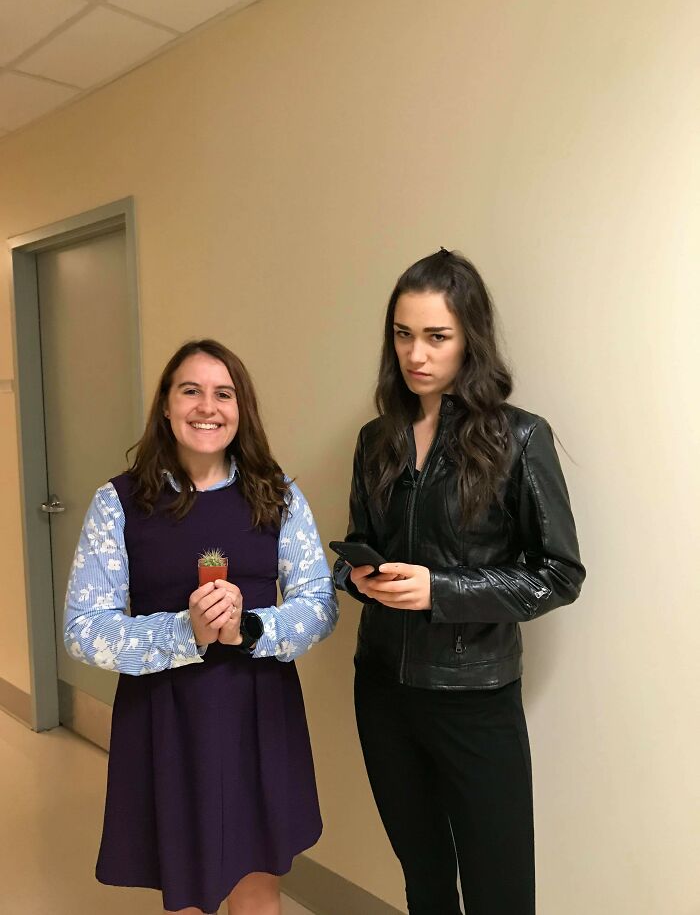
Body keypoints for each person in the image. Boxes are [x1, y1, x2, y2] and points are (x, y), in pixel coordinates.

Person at [333, 249, 585, 915]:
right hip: (382, 689)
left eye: (436, 336)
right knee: (425, 877)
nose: (417, 353)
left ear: (470, 337)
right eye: (403, 334)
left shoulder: (518, 437)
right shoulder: (375, 439)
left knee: (501, 890)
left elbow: (558, 573)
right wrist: (356, 575)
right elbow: (358, 547)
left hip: (474, 697)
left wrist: (441, 590)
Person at [64, 339, 338, 915]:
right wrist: (184, 632)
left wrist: (252, 628)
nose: (206, 407)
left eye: (224, 393)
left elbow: (319, 602)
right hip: (167, 717)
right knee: (185, 885)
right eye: (190, 390)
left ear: (242, 410)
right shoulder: (119, 504)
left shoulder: (277, 495)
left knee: (258, 881)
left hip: (258, 713)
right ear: (166, 405)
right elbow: (84, 628)